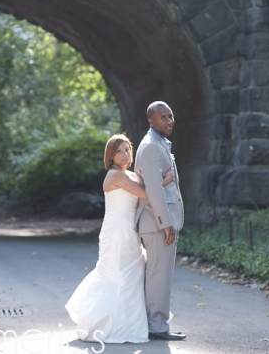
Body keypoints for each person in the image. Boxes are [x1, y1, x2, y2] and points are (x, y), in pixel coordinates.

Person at [65, 134, 174, 343]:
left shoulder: (130, 175)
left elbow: (146, 186)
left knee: (133, 274)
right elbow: (146, 194)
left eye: (127, 150)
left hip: (130, 230)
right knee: (117, 273)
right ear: (111, 156)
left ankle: (133, 323)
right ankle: (107, 323)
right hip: (116, 230)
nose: (124, 155)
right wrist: (166, 180)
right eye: (119, 151)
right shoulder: (115, 176)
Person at [134, 101, 185, 341]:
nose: (169, 121)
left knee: (159, 274)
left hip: (158, 223)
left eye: (170, 116)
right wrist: (166, 223)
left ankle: (156, 323)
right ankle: (156, 326)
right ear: (151, 121)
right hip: (157, 225)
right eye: (163, 117)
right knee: (158, 275)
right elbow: (154, 189)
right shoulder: (152, 146)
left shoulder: (158, 143)